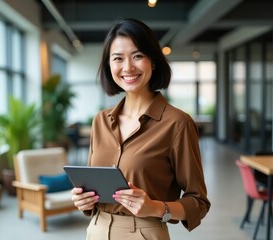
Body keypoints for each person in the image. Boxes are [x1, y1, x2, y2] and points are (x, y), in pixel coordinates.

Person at [71, 18, 210, 240]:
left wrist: (154, 207)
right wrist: (84, 200)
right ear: (109, 65)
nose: (128, 67)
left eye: (137, 56)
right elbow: (93, 187)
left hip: (144, 233)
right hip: (96, 230)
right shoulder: (101, 121)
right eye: (118, 58)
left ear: (153, 61)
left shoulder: (177, 123)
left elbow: (198, 202)